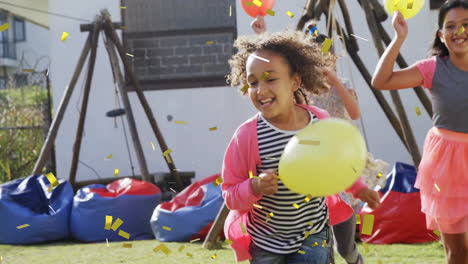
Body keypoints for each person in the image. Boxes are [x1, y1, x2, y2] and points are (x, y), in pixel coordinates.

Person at [221, 28, 380, 264]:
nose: (260, 90)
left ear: (295, 82)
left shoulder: (319, 122)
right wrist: (254, 185)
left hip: (313, 237)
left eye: (271, 79)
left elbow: (336, 166)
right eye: (252, 82)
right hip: (266, 243)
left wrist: (358, 188)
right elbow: (230, 194)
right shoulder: (246, 136)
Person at [371, 1, 468, 263]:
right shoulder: (433, 68)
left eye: (466, 25)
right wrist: (399, 38)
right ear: (441, 35)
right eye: (451, 26)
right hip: (447, 166)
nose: (459, 31)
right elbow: (382, 81)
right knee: (457, 252)